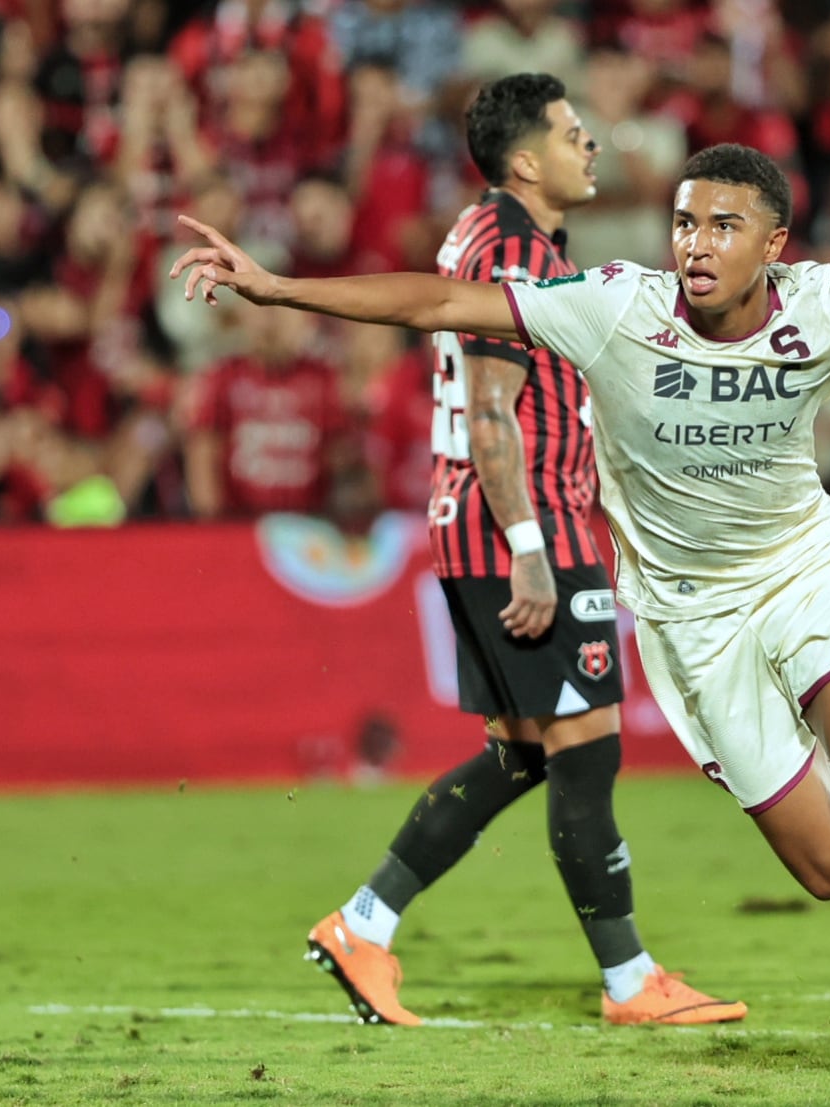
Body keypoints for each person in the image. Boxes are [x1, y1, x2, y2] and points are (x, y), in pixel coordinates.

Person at [172, 141, 830, 1083]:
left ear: (773, 243)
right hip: (690, 625)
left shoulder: (823, 306)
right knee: (828, 870)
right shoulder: (614, 306)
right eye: (682, 223)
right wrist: (274, 287)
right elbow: (438, 304)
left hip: (803, 568)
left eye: (720, 227)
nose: (694, 245)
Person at [303, 75, 745, 1027]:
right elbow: (495, 411)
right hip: (521, 520)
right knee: (586, 752)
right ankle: (631, 981)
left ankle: (364, 921)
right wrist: (532, 548)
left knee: (521, 755)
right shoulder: (510, 248)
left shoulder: (484, 236)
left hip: (479, 521)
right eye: (573, 134)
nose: (591, 148)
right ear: (524, 159)